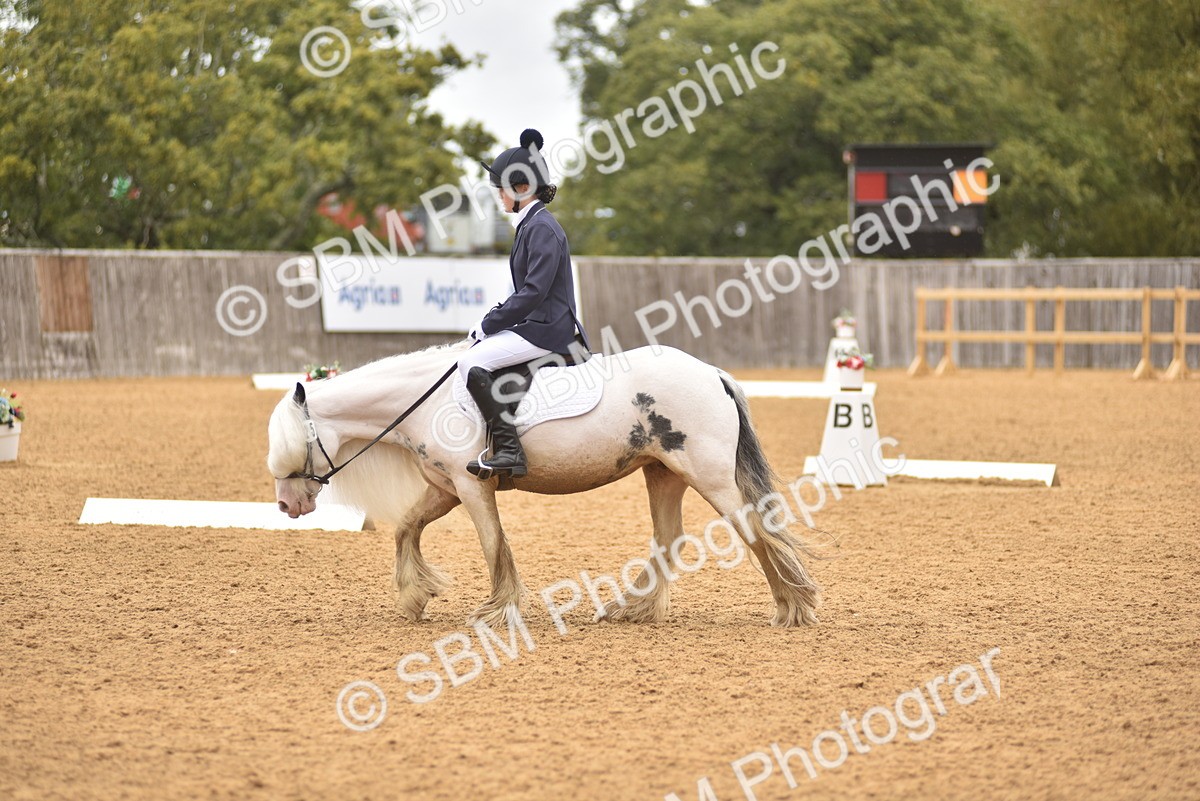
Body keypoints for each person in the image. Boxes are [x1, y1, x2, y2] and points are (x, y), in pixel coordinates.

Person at [461, 128, 590, 479]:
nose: (498, 197)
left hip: (548, 330)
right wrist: (494, 319)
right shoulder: (530, 225)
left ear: (521, 188)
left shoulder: (541, 229)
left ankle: (508, 450)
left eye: (501, 189)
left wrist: (490, 324)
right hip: (536, 325)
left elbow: (533, 292)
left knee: (472, 362)